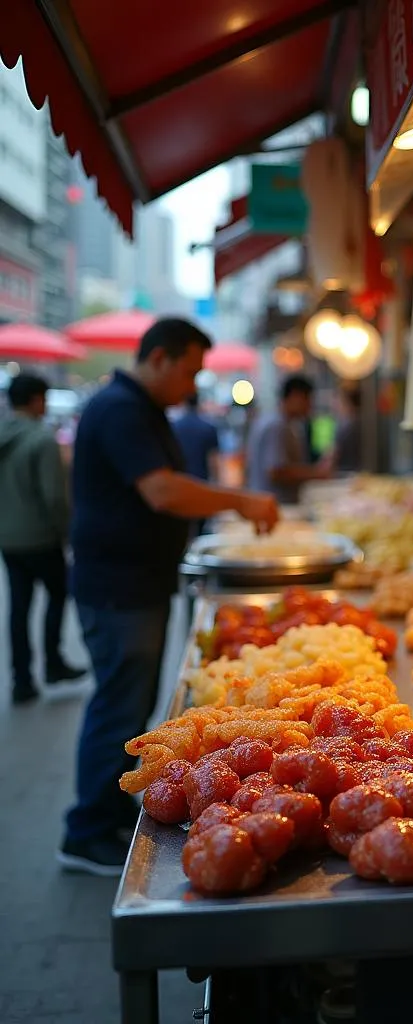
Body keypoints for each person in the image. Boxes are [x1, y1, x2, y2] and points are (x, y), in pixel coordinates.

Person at [60, 318, 279, 875]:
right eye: (189, 371)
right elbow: (160, 491)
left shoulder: (142, 407)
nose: (193, 384)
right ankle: (87, 829)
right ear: (159, 358)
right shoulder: (121, 409)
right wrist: (241, 501)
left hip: (135, 583)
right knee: (119, 705)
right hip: (119, 589)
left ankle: (106, 812)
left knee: (128, 702)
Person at [0, 374, 87, 705]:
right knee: (57, 593)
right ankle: (53, 662)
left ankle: (21, 679)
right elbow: (54, 497)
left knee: (18, 606)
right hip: (40, 537)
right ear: (37, 399)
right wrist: (66, 532)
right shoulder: (41, 439)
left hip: (8, 538)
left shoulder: (3, 434)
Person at [246, 374, 331, 504]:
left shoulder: (281, 423)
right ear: (295, 396)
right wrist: (317, 473)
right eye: (307, 399)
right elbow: (276, 472)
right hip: (276, 505)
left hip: (274, 504)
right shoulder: (277, 426)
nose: (310, 406)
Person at [171, 392, 221, 536]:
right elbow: (214, 462)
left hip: (179, 485)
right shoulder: (208, 427)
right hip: (201, 485)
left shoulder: (174, 426)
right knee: (200, 532)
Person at [333, 386, 363, 473]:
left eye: (338, 400)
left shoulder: (346, 427)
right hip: (358, 473)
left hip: (344, 474)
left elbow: (334, 455)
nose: (335, 404)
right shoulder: (364, 424)